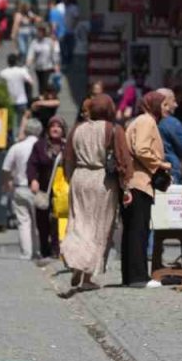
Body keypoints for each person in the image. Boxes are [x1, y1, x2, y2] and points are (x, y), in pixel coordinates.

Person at [61, 96, 134, 290]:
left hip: (79, 177)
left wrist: (70, 178)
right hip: (102, 181)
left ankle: (76, 259)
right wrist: (126, 186)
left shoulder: (77, 129)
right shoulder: (113, 130)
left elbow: (67, 157)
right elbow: (122, 159)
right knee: (98, 227)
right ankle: (86, 275)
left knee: (79, 222)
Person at [122, 93, 171, 288]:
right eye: (165, 104)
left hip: (135, 181)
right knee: (138, 231)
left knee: (133, 231)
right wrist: (160, 164)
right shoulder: (146, 121)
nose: (168, 108)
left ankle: (131, 276)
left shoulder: (141, 120)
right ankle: (138, 277)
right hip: (139, 181)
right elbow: (142, 149)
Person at [28, 117, 68, 261]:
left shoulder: (68, 147)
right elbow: (32, 164)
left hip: (62, 190)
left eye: (59, 126)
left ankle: (57, 250)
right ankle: (45, 249)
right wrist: (33, 180)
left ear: (63, 130)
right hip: (45, 189)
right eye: (52, 126)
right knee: (43, 220)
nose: (55, 129)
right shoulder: (40, 146)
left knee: (59, 218)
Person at [3, 117, 42, 260]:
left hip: (20, 187)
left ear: (26, 130)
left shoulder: (17, 147)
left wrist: (6, 182)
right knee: (38, 223)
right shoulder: (42, 146)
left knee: (23, 222)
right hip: (38, 189)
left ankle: (26, 253)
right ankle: (38, 251)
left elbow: (6, 168)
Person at [155, 88, 182, 183]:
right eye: (173, 101)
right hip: (170, 170)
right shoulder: (172, 123)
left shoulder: (148, 121)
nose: (176, 105)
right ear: (165, 102)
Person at [0, 54, 38, 138]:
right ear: (16, 61)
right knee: (22, 121)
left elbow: (0, 85)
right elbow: (31, 82)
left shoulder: (3, 73)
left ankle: (11, 137)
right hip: (22, 99)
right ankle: (20, 137)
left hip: (9, 99)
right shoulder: (22, 71)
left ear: (8, 62)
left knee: (11, 121)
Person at [26, 24, 60, 96]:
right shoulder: (34, 42)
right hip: (38, 67)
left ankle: (47, 97)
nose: (40, 33)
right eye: (39, 32)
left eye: (41, 32)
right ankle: (42, 97)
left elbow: (53, 53)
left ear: (44, 33)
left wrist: (56, 64)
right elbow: (30, 54)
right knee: (40, 84)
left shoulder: (49, 41)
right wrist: (28, 64)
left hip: (48, 67)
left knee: (45, 84)